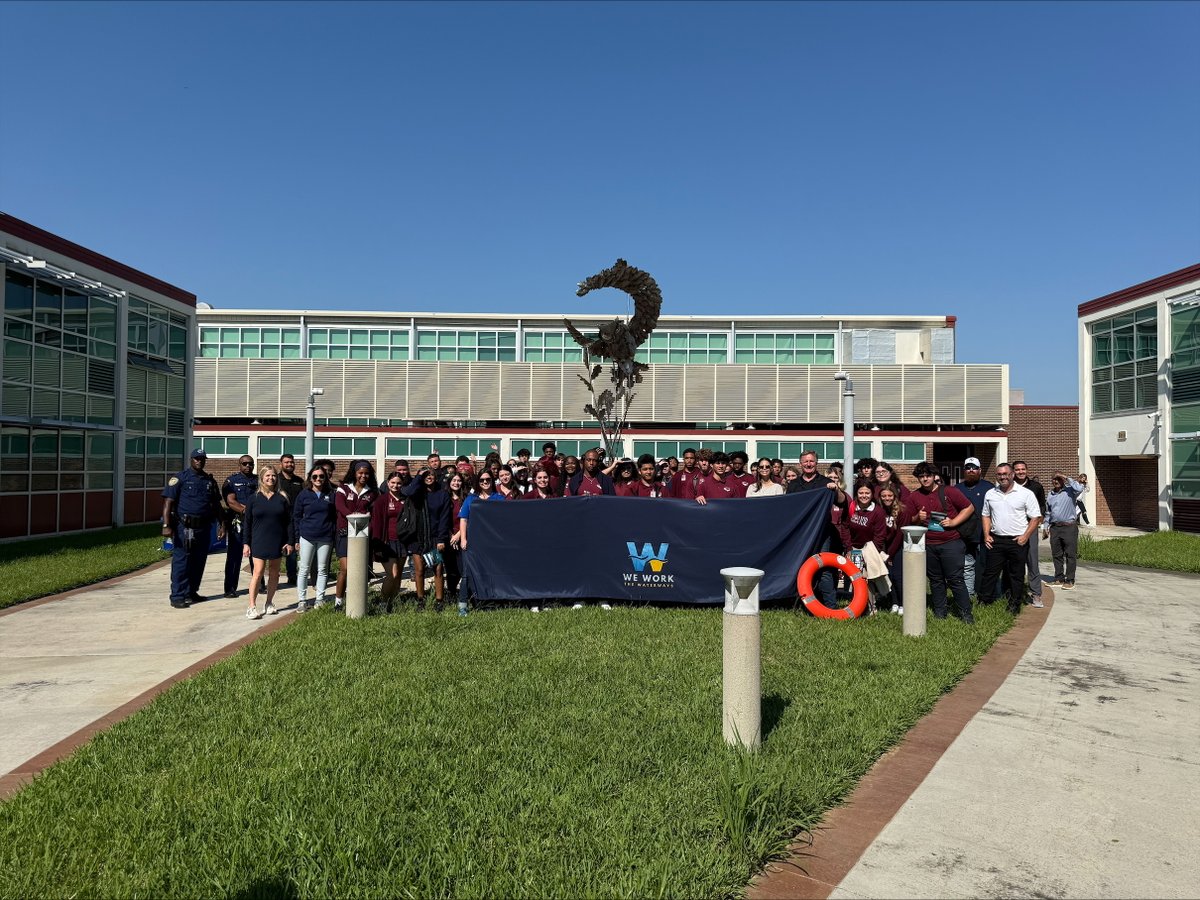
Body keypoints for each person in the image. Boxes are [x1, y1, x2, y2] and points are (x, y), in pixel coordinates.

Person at [904, 461, 976, 623]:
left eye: (928, 476)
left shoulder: (949, 491)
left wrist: (954, 522)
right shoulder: (914, 496)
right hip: (928, 544)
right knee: (936, 580)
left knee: (955, 579)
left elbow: (969, 507)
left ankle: (966, 614)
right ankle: (940, 613)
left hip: (951, 542)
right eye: (921, 476)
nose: (925, 479)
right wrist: (917, 518)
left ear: (934, 476)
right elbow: (908, 520)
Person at [161, 448, 225, 609]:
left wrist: (222, 524)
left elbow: (216, 505)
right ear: (191, 459)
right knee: (182, 562)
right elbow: (168, 503)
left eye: (202, 459)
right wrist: (166, 525)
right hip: (185, 528)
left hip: (203, 527)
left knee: (199, 561)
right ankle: (177, 595)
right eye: (196, 458)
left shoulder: (209, 481)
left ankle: (191, 592)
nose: (199, 461)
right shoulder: (180, 478)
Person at [786, 451, 847, 607]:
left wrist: (836, 489)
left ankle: (830, 606)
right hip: (800, 534)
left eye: (811, 461)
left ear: (816, 463)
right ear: (800, 463)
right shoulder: (793, 485)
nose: (808, 464)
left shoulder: (825, 483)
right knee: (800, 567)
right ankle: (801, 603)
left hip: (822, 533)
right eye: (805, 461)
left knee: (823, 568)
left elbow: (841, 502)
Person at [980, 463, 1043, 613]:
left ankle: (1014, 604)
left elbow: (1036, 517)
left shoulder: (1025, 493)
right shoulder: (990, 494)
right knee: (990, 573)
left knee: (1017, 574)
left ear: (1012, 475)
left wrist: (1026, 536)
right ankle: (984, 602)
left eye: (1006, 474)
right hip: (997, 540)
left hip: (1017, 541)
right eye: (1000, 474)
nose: (1003, 477)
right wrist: (986, 534)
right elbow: (985, 515)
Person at [241, 465, 292, 619]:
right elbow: (247, 523)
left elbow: (289, 522)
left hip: (277, 541)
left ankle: (269, 603)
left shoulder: (282, 498)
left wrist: (289, 541)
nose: (271, 478)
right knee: (257, 572)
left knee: (274, 573)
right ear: (262, 478)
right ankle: (251, 606)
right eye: (268, 476)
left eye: (274, 476)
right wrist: (246, 543)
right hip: (258, 540)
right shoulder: (253, 498)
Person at [403, 466, 452, 610]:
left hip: (434, 538)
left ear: (436, 477)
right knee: (419, 570)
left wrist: (442, 539)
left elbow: (444, 518)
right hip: (418, 538)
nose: (429, 477)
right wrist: (419, 476)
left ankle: (439, 601)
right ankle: (420, 600)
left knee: (437, 569)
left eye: (431, 474)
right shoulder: (418, 492)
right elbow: (408, 491)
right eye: (425, 475)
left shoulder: (441, 494)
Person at [334, 459, 379, 610]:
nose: (363, 476)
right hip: (344, 533)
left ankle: (358, 599)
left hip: (362, 536)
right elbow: (339, 506)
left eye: (366, 473)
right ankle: (338, 602)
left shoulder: (372, 492)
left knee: (360, 569)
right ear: (354, 473)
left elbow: (373, 513)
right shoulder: (343, 488)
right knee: (346, 569)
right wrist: (353, 516)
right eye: (360, 472)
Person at [290, 465, 336, 612]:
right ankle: (302, 601)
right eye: (315, 476)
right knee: (304, 569)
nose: (318, 479)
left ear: (326, 478)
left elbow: (335, 516)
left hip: (325, 537)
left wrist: (333, 533)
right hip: (307, 536)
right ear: (310, 478)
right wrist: (297, 539)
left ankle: (320, 599)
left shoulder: (331, 494)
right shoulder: (304, 494)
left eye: (321, 476)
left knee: (322, 570)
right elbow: (296, 517)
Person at [954, 457, 994, 598]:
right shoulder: (957, 489)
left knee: (985, 566)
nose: (971, 470)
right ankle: (969, 595)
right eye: (968, 467)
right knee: (967, 566)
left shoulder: (989, 488)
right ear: (964, 470)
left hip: (985, 534)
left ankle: (986, 594)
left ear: (980, 470)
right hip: (964, 535)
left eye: (974, 467)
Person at [221, 455, 258, 598]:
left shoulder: (258, 480)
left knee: (256, 556)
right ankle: (230, 588)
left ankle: (259, 585)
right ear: (239, 465)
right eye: (244, 464)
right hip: (238, 524)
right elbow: (231, 502)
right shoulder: (231, 481)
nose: (248, 466)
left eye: (250, 464)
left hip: (255, 524)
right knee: (234, 557)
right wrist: (247, 511)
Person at [372, 472, 409, 611]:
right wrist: (378, 544)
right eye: (393, 482)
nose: (395, 485)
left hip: (403, 542)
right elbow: (376, 523)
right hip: (387, 542)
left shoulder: (406, 499)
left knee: (398, 575)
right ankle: (382, 602)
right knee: (391, 574)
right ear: (388, 483)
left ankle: (391, 603)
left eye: (398, 483)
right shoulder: (382, 500)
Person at [1012, 461, 1047, 606]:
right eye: (1018, 469)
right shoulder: (1008, 486)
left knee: (1032, 561)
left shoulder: (1036, 487)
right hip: (1012, 528)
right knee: (1013, 561)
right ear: (1013, 471)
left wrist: (1038, 523)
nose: (1021, 472)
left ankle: (1036, 594)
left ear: (1027, 470)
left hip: (1030, 528)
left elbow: (1042, 507)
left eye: (1023, 469)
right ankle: (1013, 592)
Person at [1045, 471, 1085, 590]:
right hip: (1055, 528)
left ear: (1063, 480)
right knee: (1056, 554)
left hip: (1069, 527)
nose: (1056, 481)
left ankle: (1070, 579)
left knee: (1070, 554)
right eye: (1054, 479)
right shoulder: (1050, 494)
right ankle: (1058, 578)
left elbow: (1079, 488)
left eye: (1059, 479)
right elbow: (1048, 512)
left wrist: (1067, 477)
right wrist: (1045, 526)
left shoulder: (1070, 491)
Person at [877, 484, 909, 613]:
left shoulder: (903, 511)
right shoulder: (880, 510)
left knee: (898, 577)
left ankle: (903, 603)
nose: (887, 498)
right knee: (889, 577)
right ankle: (894, 602)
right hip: (886, 549)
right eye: (884, 496)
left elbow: (900, 535)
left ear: (895, 496)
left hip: (899, 548)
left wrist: (890, 554)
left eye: (890, 495)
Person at [277, 453, 305, 585]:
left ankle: (292, 576)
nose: (289, 464)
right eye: (286, 462)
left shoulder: (299, 481)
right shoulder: (276, 480)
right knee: (275, 549)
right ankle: (273, 577)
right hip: (278, 521)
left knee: (292, 549)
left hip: (294, 521)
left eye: (291, 462)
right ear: (281, 464)